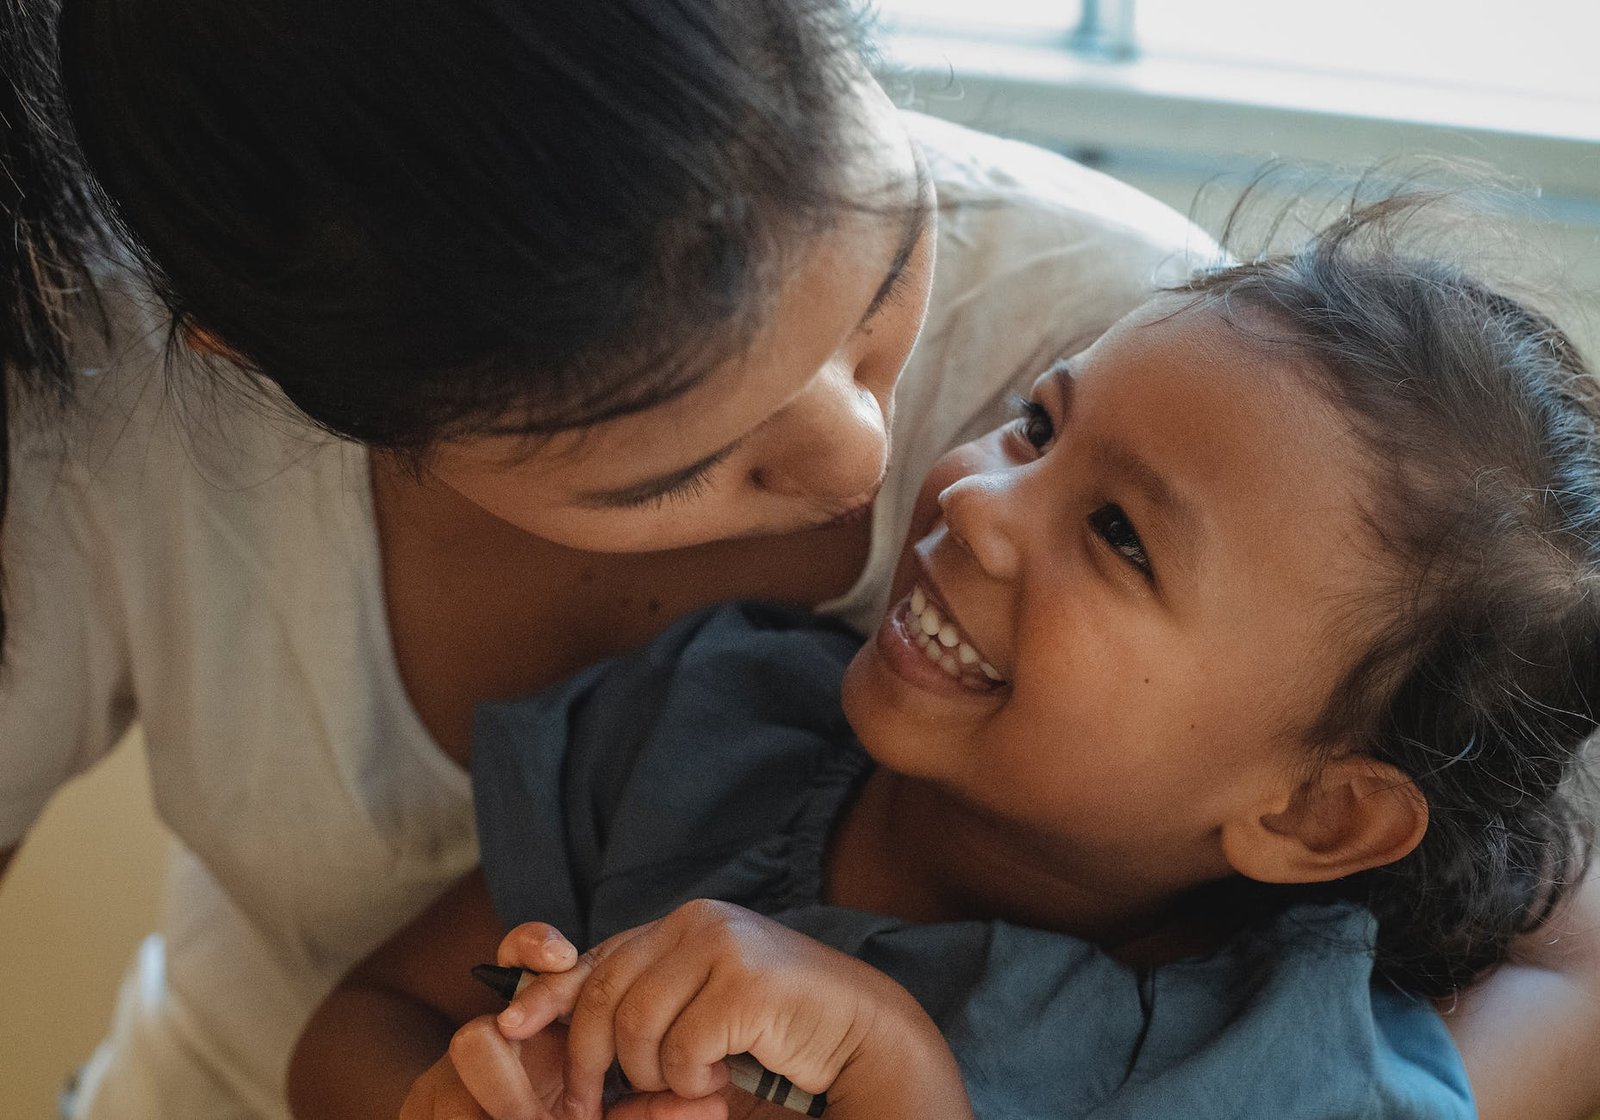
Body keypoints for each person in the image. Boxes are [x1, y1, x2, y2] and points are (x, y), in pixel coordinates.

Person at [0, 2, 1213, 1117]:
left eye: (888, 268)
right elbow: (369, 1029)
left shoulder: (1162, 374)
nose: (870, 466)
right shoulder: (82, 402)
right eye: (679, 468)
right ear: (269, 371)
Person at [288, 197, 1599, 1120]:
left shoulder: (1286, 1078)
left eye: (1119, 537)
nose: (977, 498)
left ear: (1314, 814)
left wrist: (894, 1070)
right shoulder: (703, 736)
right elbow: (361, 1025)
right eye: (1038, 426)